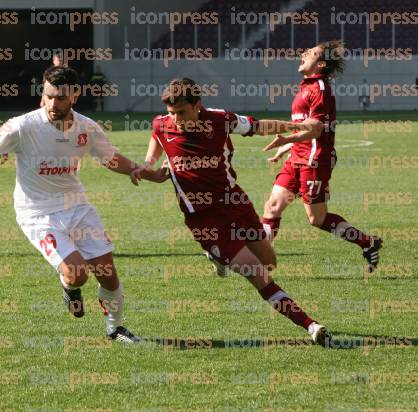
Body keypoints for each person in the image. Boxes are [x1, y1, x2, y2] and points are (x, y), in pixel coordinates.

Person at [0, 66, 167, 342]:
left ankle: (115, 328)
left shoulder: (86, 128)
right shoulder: (23, 127)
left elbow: (109, 157)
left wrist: (139, 171)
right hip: (37, 214)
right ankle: (69, 287)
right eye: (48, 96)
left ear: (75, 96)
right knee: (77, 274)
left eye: (60, 98)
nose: (52, 104)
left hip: (77, 206)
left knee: (107, 272)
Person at [131, 78, 332, 346]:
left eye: (181, 112)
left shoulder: (220, 119)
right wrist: (147, 167)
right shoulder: (161, 124)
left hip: (235, 204)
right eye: (171, 113)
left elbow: (259, 126)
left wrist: (298, 127)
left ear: (197, 106)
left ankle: (218, 258)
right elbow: (157, 151)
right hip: (203, 219)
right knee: (258, 275)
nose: (176, 120)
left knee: (269, 262)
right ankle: (311, 326)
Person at [261, 40, 382, 273]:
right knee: (273, 207)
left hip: (314, 160)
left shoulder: (320, 90)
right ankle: (261, 260)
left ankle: (368, 242)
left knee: (317, 219)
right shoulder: (306, 86)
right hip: (297, 156)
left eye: (311, 52)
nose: (304, 52)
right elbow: (305, 126)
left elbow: (315, 130)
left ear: (321, 64)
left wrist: (286, 139)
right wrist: (287, 148)